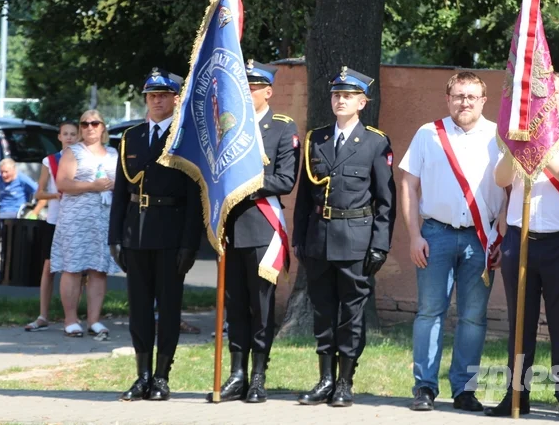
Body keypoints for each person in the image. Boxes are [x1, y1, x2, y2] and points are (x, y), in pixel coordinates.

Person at [399, 71, 506, 413]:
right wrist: (414, 235)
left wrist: (500, 235)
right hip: (436, 234)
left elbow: (510, 189)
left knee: (474, 316)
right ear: (448, 98)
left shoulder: (498, 137)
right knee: (430, 312)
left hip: (481, 237)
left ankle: (464, 390)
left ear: (483, 100)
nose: (465, 102)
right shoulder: (428, 134)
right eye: (459, 96)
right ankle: (425, 387)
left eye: (471, 96)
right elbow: (407, 185)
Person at [292, 66, 396, 408]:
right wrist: (300, 239)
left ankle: (344, 381)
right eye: (337, 95)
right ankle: (324, 378)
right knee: (323, 311)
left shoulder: (375, 142)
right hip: (319, 239)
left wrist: (379, 245)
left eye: (348, 96)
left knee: (351, 314)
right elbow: (305, 198)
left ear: (362, 102)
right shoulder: (315, 139)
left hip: (356, 240)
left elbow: (385, 201)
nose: (340, 100)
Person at [488, 73, 559, 417]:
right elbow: (501, 179)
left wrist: (542, 149)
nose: (545, 102)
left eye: (552, 95)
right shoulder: (515, 131)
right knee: (521, 322)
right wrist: (516, 146)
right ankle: (517, 394)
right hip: (521, 238)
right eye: (538, 96)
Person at [109, 68, 202, 402]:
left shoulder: (185, 137)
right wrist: (114, 237)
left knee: (169, 307)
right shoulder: (131, 137)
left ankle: (162, 376)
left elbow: (194, 196)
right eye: (151, 95)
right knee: (139, 310)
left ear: (176, 99)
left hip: (171, 233)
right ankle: (142, 375)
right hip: (136, 232)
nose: (157, 101)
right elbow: (121, 192)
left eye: (163, 95)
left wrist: (190, 243)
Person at [215, 60, 300, 403]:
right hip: (231, 227)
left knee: (260, 307)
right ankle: (237, 373)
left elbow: (285, 179)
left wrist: (244, 184)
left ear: (268, 91)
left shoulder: (282, 128)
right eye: (244, 87)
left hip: (262, 227)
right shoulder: (228, 125)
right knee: (234, 306)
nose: (248, 93)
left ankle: (259, 376)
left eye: (254, 88)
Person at [51, 109, 120, 340]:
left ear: (103, 127)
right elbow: (63, 183)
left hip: (103, 218)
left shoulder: (113, 153)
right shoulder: (73, 152)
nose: (89, 127)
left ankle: (94, 320)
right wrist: (93, 186)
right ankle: (70, 319)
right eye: (85, 124)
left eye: (95, 123)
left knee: (99, 269)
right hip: (76, 218)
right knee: (73, 268)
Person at [24, 121, 79, 332]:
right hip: (54, 219)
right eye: (65, 134)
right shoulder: (50, 161)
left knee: (76, 270)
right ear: (59, 137)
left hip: (75, 220)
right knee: (48, 268)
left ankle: (72, 317)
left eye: (73, 134)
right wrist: (54, 195)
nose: (69, 137)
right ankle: (43, 315)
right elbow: (38, 193)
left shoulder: (83, 160)